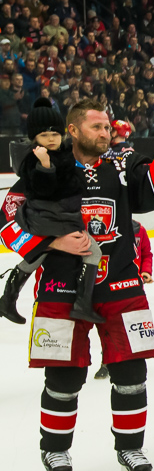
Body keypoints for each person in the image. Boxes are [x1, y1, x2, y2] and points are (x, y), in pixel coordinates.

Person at [0, 98, 154, 471]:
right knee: (64, 376)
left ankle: (130, 448)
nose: (106, 133)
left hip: (120, 282)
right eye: (97, 127)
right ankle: (55, 449)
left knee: (132, 371)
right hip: (60, 285)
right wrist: (51, 243)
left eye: (107, 127)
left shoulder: (122, 164)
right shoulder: (46, 165)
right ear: (73, 130)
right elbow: (8, 216)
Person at [0, 98, 105, 326]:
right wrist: (52, 242)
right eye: (44, 135)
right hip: (52, 226)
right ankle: (81, 303)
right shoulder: (34, 164)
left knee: (38, 255)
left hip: (61, 221)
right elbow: (7, 222)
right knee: (81, 251)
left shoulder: (68, 157)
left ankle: (7, 300)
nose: (51, 139)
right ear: (34, 138)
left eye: (55, 134)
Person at [96, 220, 154, 381]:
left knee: (129, 327)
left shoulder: (139, 229)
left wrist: (146, 271)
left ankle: (132, 359)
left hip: (133, 287)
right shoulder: (107, 229)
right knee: (108, 326)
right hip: (109, 286)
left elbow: (146, 253)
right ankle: (106, 361)